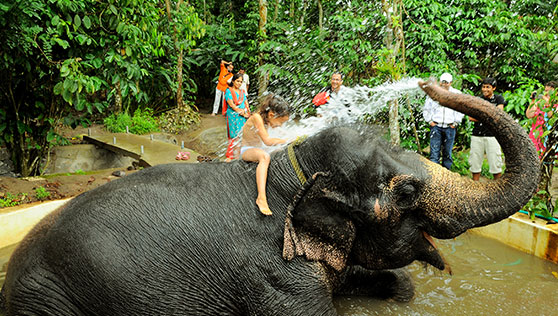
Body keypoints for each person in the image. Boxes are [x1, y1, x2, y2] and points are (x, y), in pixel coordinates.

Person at [241, 93, 290, 215]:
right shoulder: (257, 118)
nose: (280, 125)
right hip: (247, 149)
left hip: (258, 148)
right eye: (280, 122)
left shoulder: (267, 119)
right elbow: (267, 141)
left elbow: (281, 133)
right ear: (272, 114)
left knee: (279, 151)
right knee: (264, 157)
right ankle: (261, 198)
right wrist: (287, 140)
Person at [422, 72, 464, 170]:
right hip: (436, 126)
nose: (444, 85)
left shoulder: (457, 94)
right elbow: (426, 109)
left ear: (451, 83)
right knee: (434, 153)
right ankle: (434, 175)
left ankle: (447, 175)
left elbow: (461, 110)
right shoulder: (433, 93)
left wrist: (455, 123)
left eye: (447, 83)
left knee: (447, 153)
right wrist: (430, 121)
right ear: (440, 82)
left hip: (450, 127)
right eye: (443, 82)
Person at [468, 77, 507, 181]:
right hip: (477, 135)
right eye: (483, 87)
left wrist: (480, 116)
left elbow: (498, 115)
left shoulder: (499, 99)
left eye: (488, 87)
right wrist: (488, 116)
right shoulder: (478, 99)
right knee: (475, 161)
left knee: (495, 162)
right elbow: (471, 117)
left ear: (493, 88)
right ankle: (475, 185)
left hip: (493, 135)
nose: (485, 89)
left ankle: (497, 187)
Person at [525, 81, 558, 157]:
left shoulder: (556, 105)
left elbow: (551, 117)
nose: (546, 93)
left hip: (548, 138)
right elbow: (529, 115)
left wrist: (547, 103)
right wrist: (533, 100)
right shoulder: (540, 103)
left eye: (549, 91)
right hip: (535, 135)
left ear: (556, 93)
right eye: (545, 91)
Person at [224, 73, 250, 161]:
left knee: (242, 135)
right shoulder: (228, 91)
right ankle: (230, 156)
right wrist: (241, 112)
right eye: (237, 81)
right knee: (234, 135)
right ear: (233, 81)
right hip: (233, 115)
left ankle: (238, 155)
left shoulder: (242, 92)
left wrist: (248, 113)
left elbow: (246, 104)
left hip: (242, 116)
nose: (239, 83)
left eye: (241, 82)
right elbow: (231, 104)